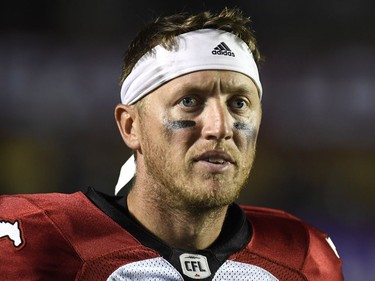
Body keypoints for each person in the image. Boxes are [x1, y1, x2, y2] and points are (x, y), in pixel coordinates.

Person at [0, 8, 343, 281]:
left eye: (239, 103)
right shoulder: (33, 241)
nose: (220, 127)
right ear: (130, 126)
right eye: (190, 101)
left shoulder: (304, 258)